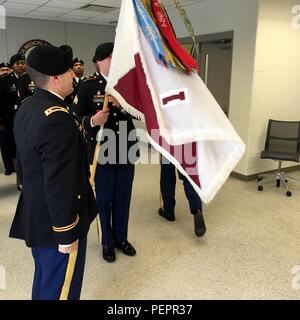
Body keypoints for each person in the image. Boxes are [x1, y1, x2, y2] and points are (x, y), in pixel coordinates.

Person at [9, 44, 106, 300]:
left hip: (38, 215)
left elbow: (29, 161)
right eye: (67, 71)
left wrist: (90, 122)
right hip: (58, 222)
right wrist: (66, 233)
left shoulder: (30, 106)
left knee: (45, 279)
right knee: (62, 289)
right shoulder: (57, 118)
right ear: (55, 78)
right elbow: (59, 182)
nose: (73, 75)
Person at [72, 42, 139, 263]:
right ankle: (107, 242)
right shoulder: (89, 86)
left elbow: (142, 113)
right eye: (109, 57)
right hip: (102, 152)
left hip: (126, 149)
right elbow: (75, 116)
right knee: (104, 201)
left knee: (123, 198)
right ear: (99, 61)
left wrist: (124, 106)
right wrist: (92, 120)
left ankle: (121, 238)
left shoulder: (128, 83)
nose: (113, 61)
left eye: (116, 56)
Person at [159, 157, 207, 237]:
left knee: (167, 173)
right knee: (188, 176)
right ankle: (197, 210)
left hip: (167, 145)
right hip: (185, 145)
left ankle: (168, 211)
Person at [0, 54, 26, 180]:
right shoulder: (4, 81)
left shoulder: (30, 79)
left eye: (23, 63)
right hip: (10, 120)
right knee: (12, 147)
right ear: (13, 66)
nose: (21, 65)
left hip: (27, 120)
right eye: (18, 63)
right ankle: (18, 176)